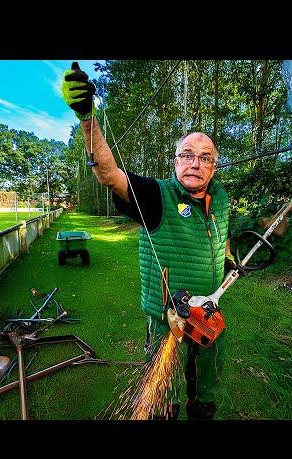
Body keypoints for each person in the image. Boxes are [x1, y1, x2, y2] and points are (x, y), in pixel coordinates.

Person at [62, 62, 241, 420]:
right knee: (164, 398)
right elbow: (109, 174)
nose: (195, 163)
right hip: (168, 319)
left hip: (208, 313)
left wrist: (228, 259)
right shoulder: (156, 195)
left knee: (206, 391)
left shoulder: (220, 197)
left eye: (205, 158)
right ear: (175, 162)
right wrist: (87, 119)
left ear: (215, 167)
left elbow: (221, 236)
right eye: (187, 155)